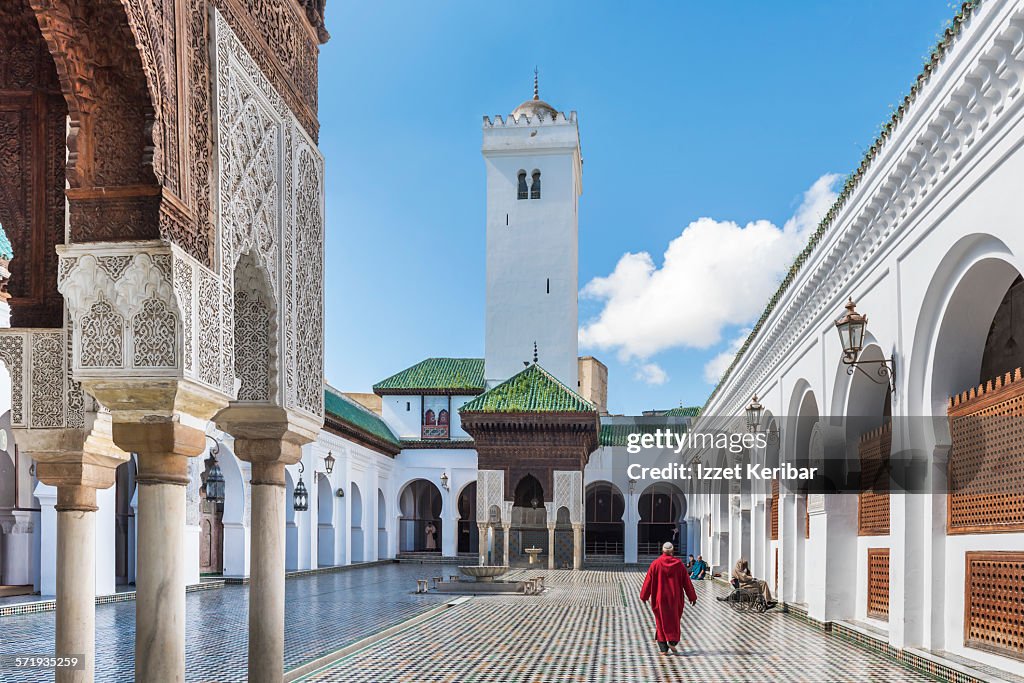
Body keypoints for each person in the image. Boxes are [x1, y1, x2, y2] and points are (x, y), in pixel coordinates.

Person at [640, 542, 697, 655]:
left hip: (659, 598)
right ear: (672, 551)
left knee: (660, 621)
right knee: (674, 620)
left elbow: (648, 581)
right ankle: (672, 641)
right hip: (675, 599)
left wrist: (644, 596)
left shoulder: (655, 564)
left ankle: (663, 649)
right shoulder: (679, 564)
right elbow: (687, 582)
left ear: (662, 551)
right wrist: (692, 597)